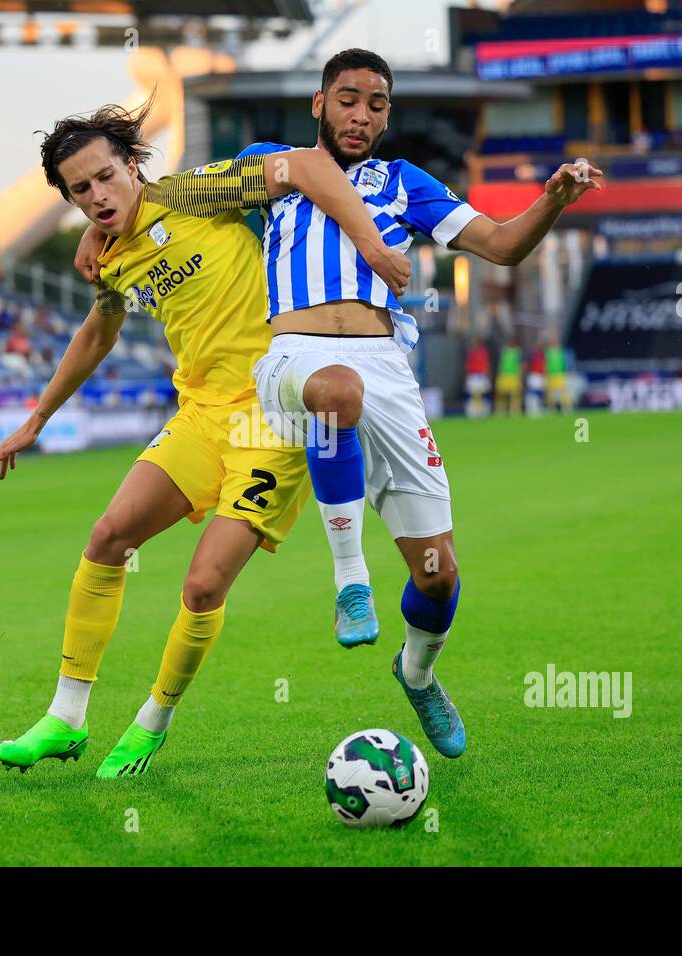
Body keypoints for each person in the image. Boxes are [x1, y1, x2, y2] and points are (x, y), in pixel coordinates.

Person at [0, 99, 409, 779]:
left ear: (132, 165)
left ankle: (152, 721)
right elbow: (98, 333)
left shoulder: (197, 192)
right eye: (81, 189)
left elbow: (305, 165)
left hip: (274, 416)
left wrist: (372, 246)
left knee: (205, 584)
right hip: (203, 416)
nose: (98, 196)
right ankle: (66, 717)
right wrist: (36, 419)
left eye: (105, 176)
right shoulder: (112, 257)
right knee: (107, 537)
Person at [235, 49, 604, 758]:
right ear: (319, 103)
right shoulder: (270, 165)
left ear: (386, 117)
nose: (359, 115)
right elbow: (181, 201)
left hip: (386, 367)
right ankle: (350, 580)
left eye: (375, 105)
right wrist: (104, 227)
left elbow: (501, 245)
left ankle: (416, 672)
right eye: (347, 99)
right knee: (336, 392)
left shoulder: (403, 183)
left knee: (439, 576)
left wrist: (554, 199)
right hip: (294, 355)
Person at [496, 340, 523, 416]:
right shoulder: (503, 352)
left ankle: (515, 410)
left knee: (515, 394)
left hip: (514, 375)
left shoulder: (517, 352)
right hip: (504, 375)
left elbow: (520, 364)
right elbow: (500, 364)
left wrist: (520, 374)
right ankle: (501, 410)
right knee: (502, 394)